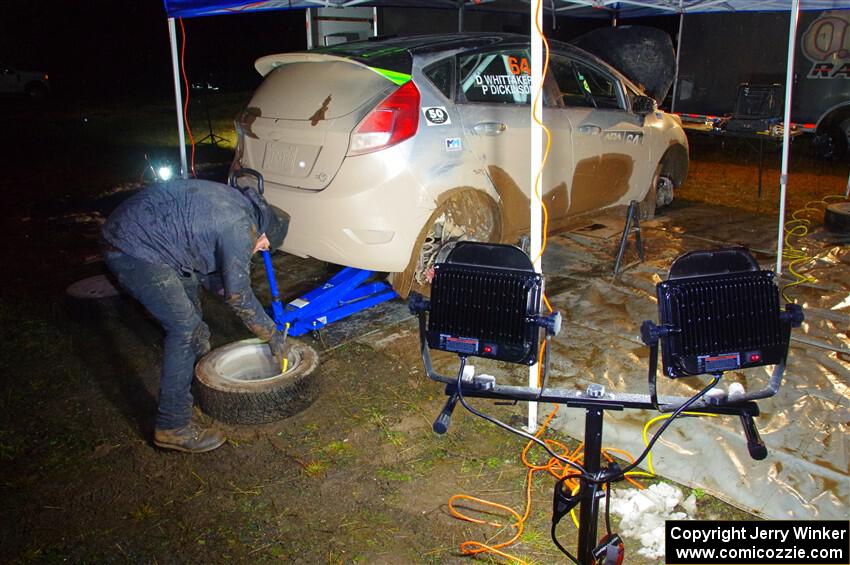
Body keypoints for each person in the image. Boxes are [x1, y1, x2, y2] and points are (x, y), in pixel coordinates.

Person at [101, 178, 289, 453]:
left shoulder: (238, 205)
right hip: (134, 249)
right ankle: (172, 427)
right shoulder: (239, 228)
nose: (260, 251)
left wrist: (227, 286)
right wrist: (271, 333)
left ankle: (189, 395)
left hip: (153, 239)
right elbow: (238, 295)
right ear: (262, 233)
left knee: (196, 329)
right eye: (264, 246)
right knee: (186, 330)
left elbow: (210, 272)